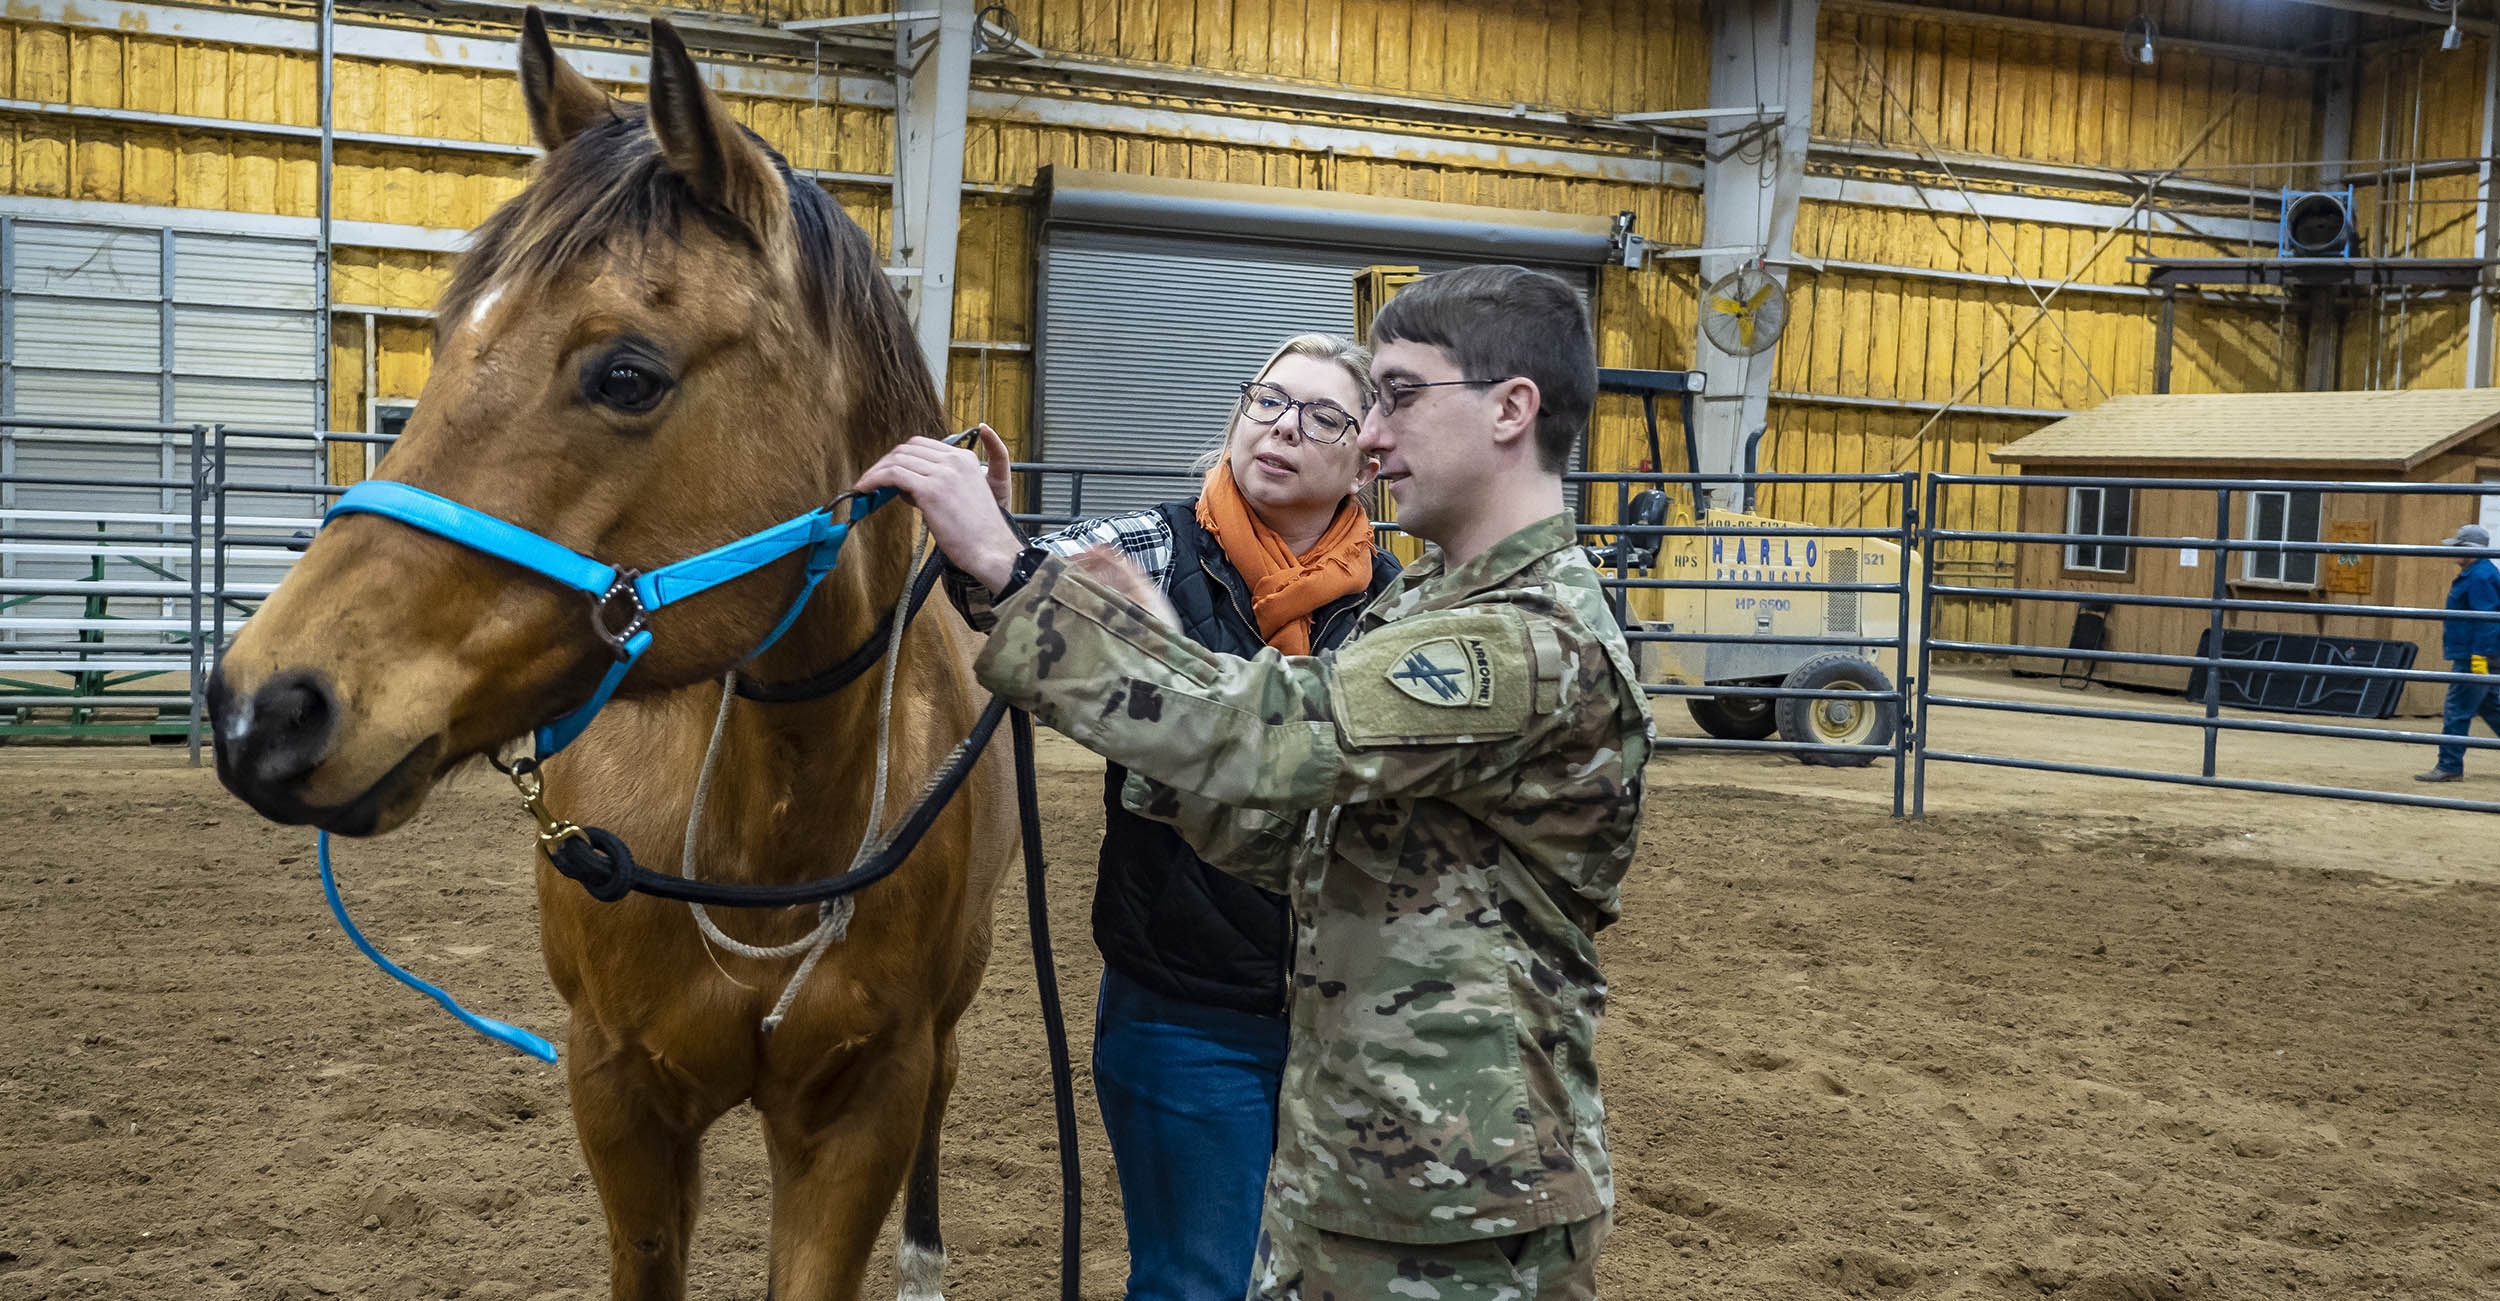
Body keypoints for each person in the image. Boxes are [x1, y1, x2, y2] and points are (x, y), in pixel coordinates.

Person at [862, 264, 1653, 1299]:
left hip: (1454, 1192)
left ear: (1511, 409)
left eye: (1397, 397)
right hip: (1382, 1157)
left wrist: (1019, 578)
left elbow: (1268, 737)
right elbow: (1307, 834)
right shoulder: (1426, 605)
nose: (1370, 439)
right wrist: (1141, 683)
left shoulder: (1519, 642)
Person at [942, 334, 1399, 1300]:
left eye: (1323, 416)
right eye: (1268, 400)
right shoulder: (1150, 546)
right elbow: (1016, 583)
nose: (1282, 427)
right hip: (1190, 1007)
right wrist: (984, 540)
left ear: (1367, 457)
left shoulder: (1396, 604)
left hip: (1357, 1020)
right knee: (1199, 1280)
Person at [2417, 522, 2500, 783]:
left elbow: (2487, 618)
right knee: (2491, 707)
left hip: (2474, 655)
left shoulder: (2479, 576)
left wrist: (2479, 656)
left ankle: (2449, 765)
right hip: (2479, 652)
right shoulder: (2479, 573)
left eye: (2458, 547)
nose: (2454, 552)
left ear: (2470, 550)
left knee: (2457, 709)